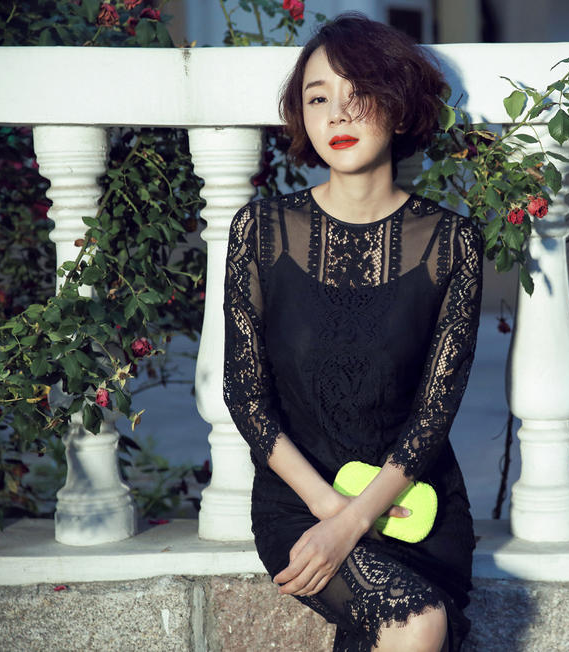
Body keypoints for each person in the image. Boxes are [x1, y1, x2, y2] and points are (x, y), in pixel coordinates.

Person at [222, 13, 482, 652]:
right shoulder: (261, 232)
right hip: (300, 499)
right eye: (318, 99)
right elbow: (245, 397)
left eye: (359, 93)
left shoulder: (453, 243)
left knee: (411, 621)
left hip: (413, 505)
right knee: (418, 622)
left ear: (399, 105)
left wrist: (359, 519)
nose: (337, 114)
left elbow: (434, 413)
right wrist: (330, 514)